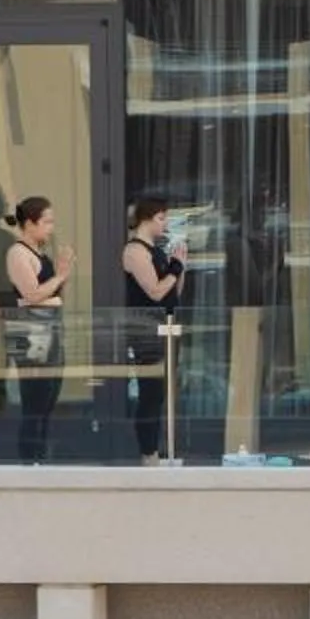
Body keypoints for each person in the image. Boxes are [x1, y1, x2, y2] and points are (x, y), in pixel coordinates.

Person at [1, 196, 73, 462]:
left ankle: (40, 456)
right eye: (46, 222)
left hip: (50, 324)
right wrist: (60, 276)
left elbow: (50, 291)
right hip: (32, 327)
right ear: (30, 223)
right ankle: (29, 459)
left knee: (49, 395)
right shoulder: (18, 253)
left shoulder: (40, 253)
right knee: (35, 399)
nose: (51, 227)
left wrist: (60, 276)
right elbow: (32, 294)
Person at [121, 196, 189, 464]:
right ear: (146, 219)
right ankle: (148, 452)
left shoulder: (156, 250)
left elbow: (173, 293)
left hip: (166, 325)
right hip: (146, 329)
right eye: (161, 218)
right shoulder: (135, 251)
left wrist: (179, 267)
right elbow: (154, 291)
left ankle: (161, 449)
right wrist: (174, 270)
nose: (165, 224)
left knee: (161, 392)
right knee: (150, 391)